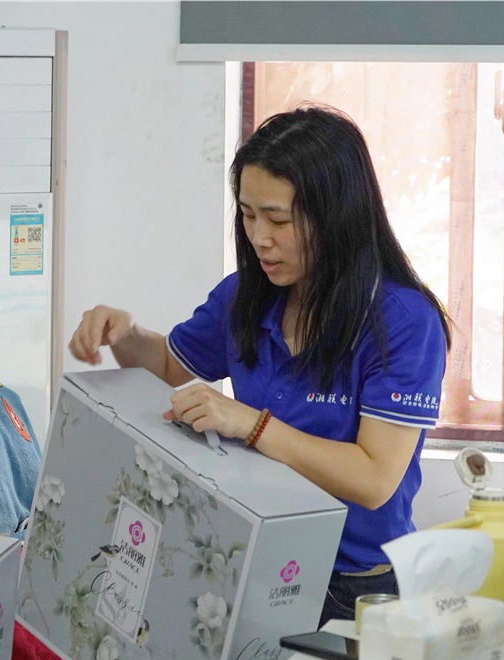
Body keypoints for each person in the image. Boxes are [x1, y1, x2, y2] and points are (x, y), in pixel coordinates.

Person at [69, 105, 451, 626]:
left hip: (355, 585)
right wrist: (125, 333)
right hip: (256, 558)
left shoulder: (404, 322)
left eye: (278, 219)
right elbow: (167, 364)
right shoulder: (247, 296)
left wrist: (250, 424)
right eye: (248, 215)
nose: (259, 237)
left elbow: (374, 478)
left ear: (337, 216)